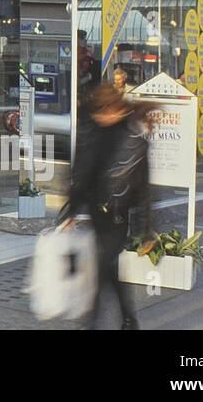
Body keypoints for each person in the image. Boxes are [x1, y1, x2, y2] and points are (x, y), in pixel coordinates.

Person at [58, 82, 153, 330]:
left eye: (105, 112)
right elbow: (79, 174)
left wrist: (146, 229)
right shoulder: (90, 129)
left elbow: (144, 189)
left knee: (100, 266)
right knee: (108, 267)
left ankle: (92, 322)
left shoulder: (135, 138)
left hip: (117, 216)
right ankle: (129, 318)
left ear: (117, 110)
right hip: (94, 210)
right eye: (97, 112)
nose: (101, 117)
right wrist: (70, 211)